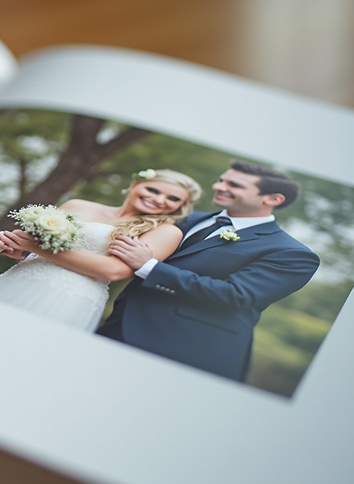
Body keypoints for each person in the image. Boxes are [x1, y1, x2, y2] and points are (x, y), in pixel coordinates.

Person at [98, 161, 320, 381]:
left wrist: (149, 267)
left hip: (185, 351)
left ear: (273, 199)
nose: (219, 187)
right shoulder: (183, 218)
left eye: (234, 185)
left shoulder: (291, 253)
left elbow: (235, 295)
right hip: (117, 327)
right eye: (221, 180)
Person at [0, 169, 202, 331]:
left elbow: (115, 271)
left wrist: (35, 247)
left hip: (68, 296)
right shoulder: (77, 205)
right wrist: (21, 252)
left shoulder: (166, 231)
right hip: (20, 280)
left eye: (173, 199)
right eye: (153, 189)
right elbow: (39, 249)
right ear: (134, 185)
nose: (160, 200)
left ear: (180, 207)